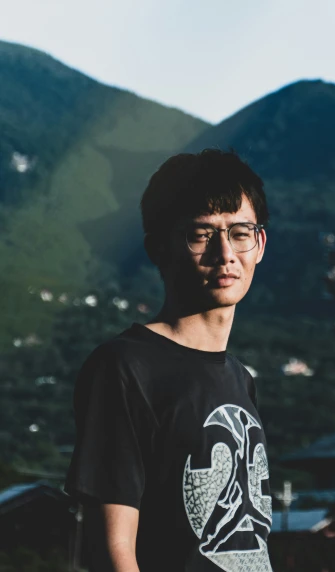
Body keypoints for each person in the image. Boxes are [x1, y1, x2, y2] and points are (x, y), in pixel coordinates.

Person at [64, 149, 273, 571]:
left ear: (260, 244)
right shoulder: (125, 368)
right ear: (159, 248)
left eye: (239, 232)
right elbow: (112, 551)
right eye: (201, 234)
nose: (225, 254)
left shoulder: (239, 378)